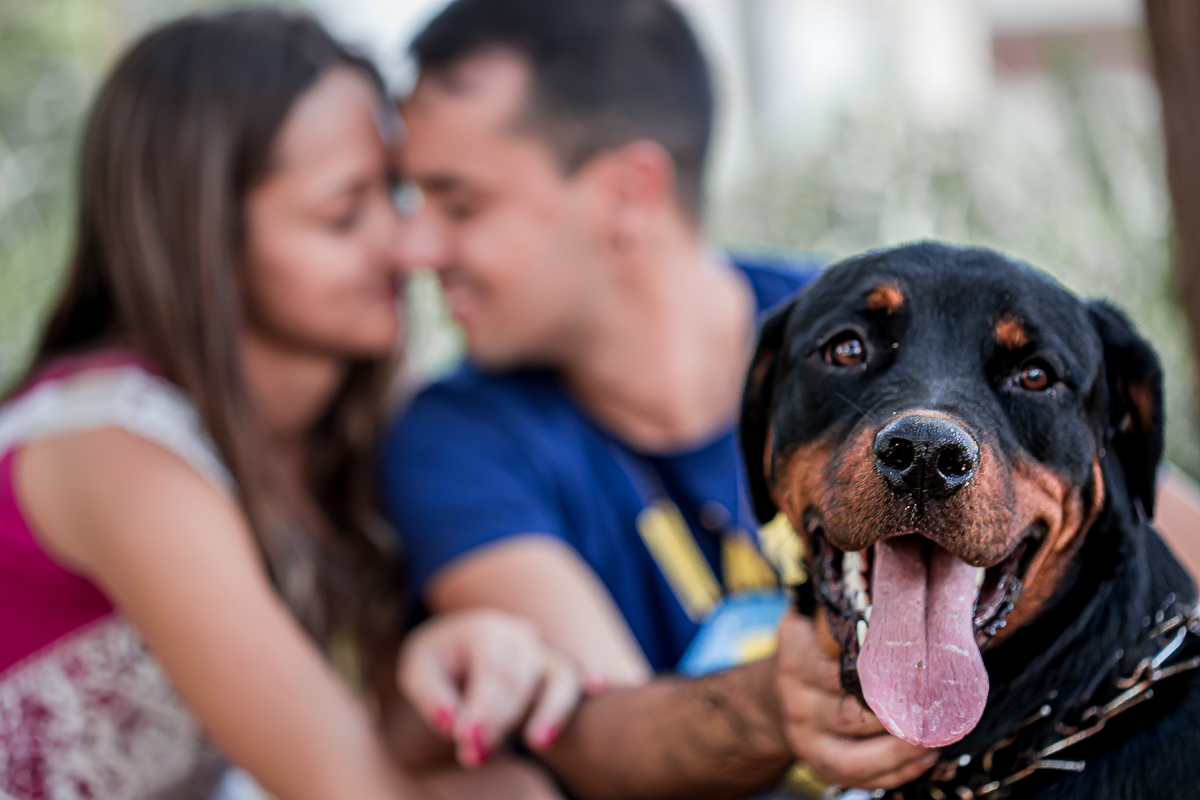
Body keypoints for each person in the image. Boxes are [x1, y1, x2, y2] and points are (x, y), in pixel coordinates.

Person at [0, 11, 581, 799]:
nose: (411, 247)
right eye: (344, 214)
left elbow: (367, 747)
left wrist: (457, 662)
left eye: (395, 194)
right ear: (204, 240)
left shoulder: (343, 422)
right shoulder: (111, 450)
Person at [380, 0, 935, 793]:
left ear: (626, 195)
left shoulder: (887, 330)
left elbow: (1162, 554)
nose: (409, 246)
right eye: (413, 200)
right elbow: (607, 746)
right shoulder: (457, 437)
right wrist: (781, 706)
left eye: (460, 203)